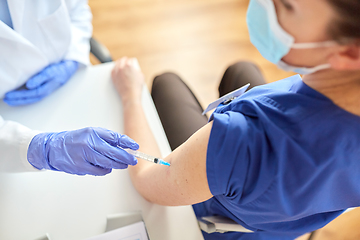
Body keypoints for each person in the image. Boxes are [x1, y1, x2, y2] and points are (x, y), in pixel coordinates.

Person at [111, 0, 360, 239]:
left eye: (286, 5)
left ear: (349, 52)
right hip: (282, 225)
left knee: (166, 83)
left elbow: (147, 180)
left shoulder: (245, 138)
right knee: (241, 70)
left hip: (217, 226)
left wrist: (131, 95)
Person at [0, 0, 138, 175]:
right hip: (10, 113)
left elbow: (78, 9)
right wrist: (42, 149)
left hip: (73, 85)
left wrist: (73, 58)